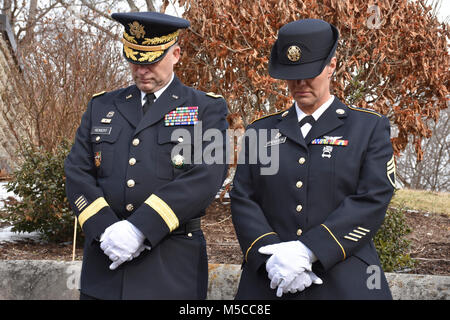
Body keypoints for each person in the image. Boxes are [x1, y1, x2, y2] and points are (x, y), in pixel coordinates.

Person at [64, 11, 228, 300]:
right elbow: (77, 172)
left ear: (175, 54)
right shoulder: (102, 106)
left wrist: (140, 228)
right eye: (134, 60)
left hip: (171, 268)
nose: (141, 70)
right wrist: (106, 230)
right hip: (106, 263)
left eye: (151, 61)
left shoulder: (205, 108)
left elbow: (207, 176)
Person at [230, 18, 395, 299]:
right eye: (292, 74)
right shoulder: (261, 130)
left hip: (345, 280)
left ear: (332, 66)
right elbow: (244, 198)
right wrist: (271, 256)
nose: (300, 83)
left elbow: (373, 197)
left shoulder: (367, 128)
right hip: (270, 280)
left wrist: (310, 249)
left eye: (310, 72)